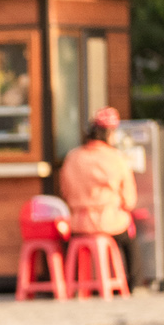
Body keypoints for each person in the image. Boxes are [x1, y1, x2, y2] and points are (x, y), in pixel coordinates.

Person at [59, 107, 139, 266]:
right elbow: (130, 201)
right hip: (109, 223)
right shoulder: (116, 158)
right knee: (130, 242)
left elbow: (64, 192)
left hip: (77, 224)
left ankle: (75, 283)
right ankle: (132, 284)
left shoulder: (72, 157)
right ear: (109, 133)